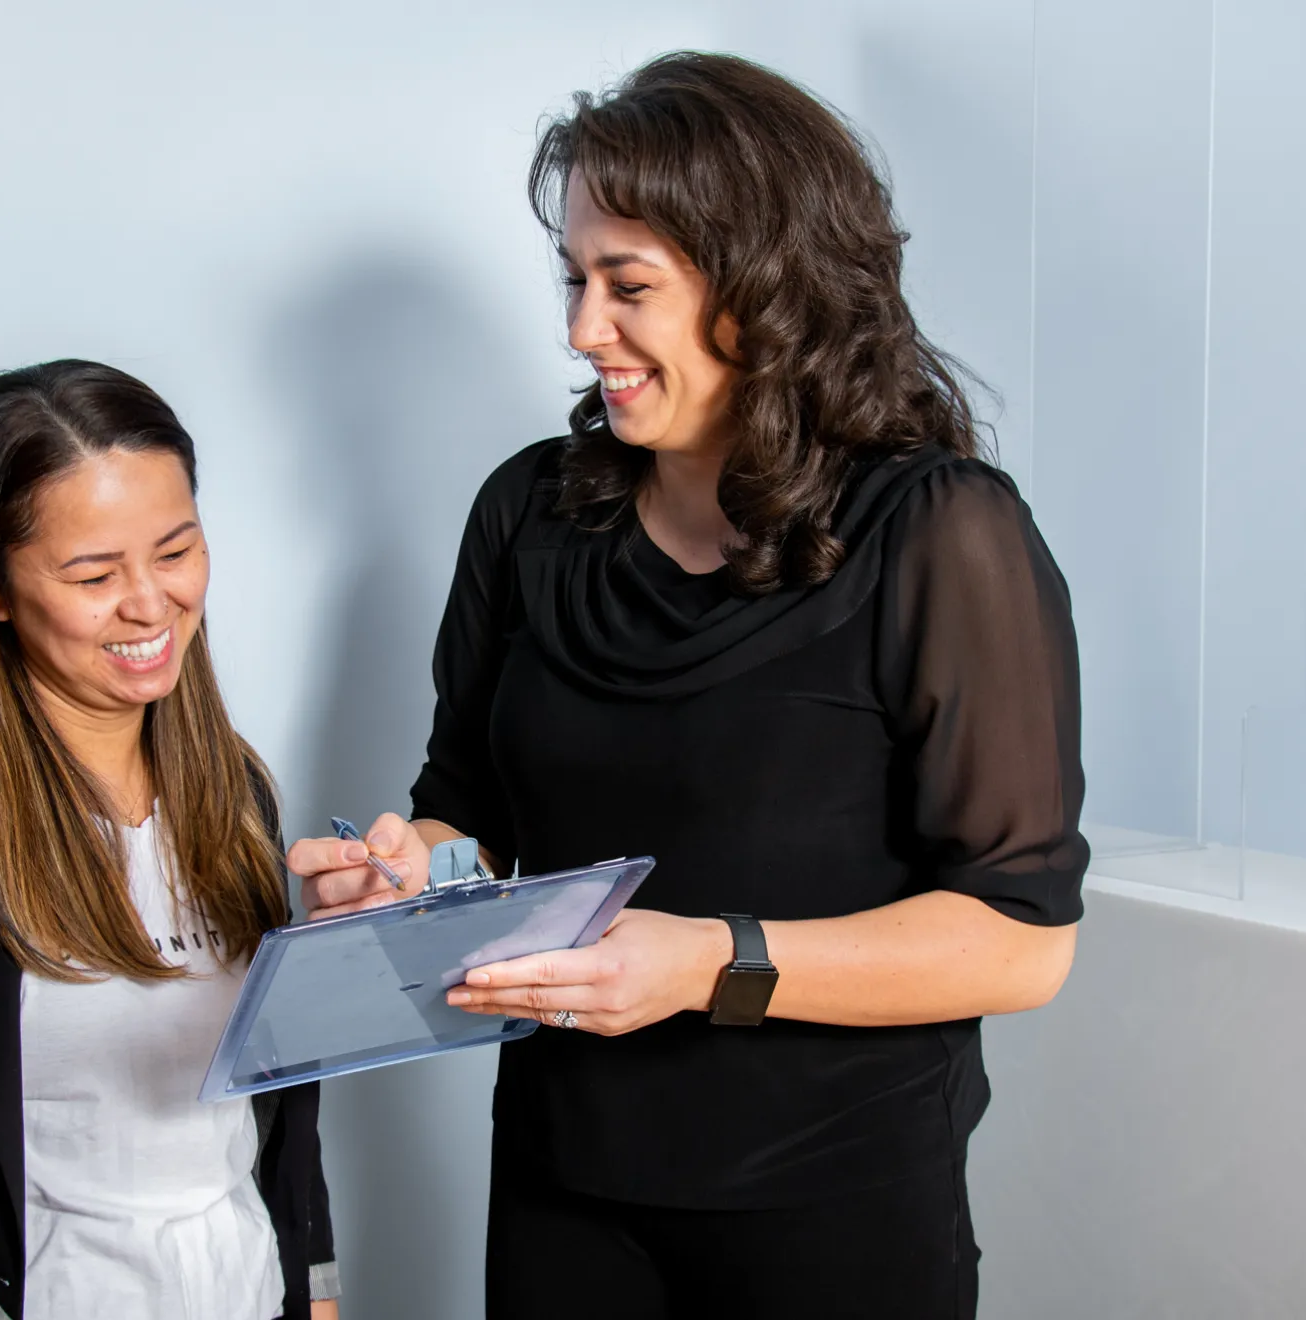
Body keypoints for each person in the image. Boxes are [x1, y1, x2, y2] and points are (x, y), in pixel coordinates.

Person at [290, 53, 1086, 1319]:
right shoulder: (527, 514)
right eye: (573, 280)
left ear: (761, 289)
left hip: (834, 1204)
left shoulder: (936, 533)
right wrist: (410, 879)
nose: (578, 329)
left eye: (626, 286)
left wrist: (709, 965)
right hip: (564, 1184)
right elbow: (466, 816)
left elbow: (1018, 939)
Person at [0, 361, 339, 1320]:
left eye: (175, 551)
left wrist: (318, 1293)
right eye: (93, 574)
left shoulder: (233, 784)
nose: (150, 603)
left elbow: (278, 1110)